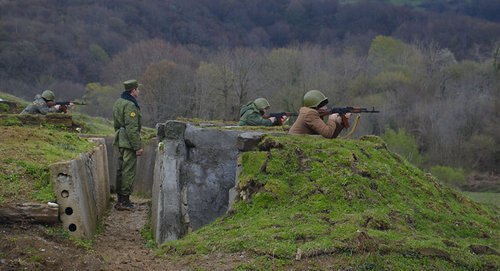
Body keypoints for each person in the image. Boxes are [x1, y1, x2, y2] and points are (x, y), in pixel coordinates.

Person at [113, 79, 143, 211]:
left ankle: (120, 198)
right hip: (129, 142)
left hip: (120, 139)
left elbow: (116, 124)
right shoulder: (130, 105)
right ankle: (125, 201)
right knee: (128, 171)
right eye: (137, 89)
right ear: (133, 91)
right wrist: (137, 146)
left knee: (121, 170)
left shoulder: (119, 102)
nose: (139, 91)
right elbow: (132, 128)